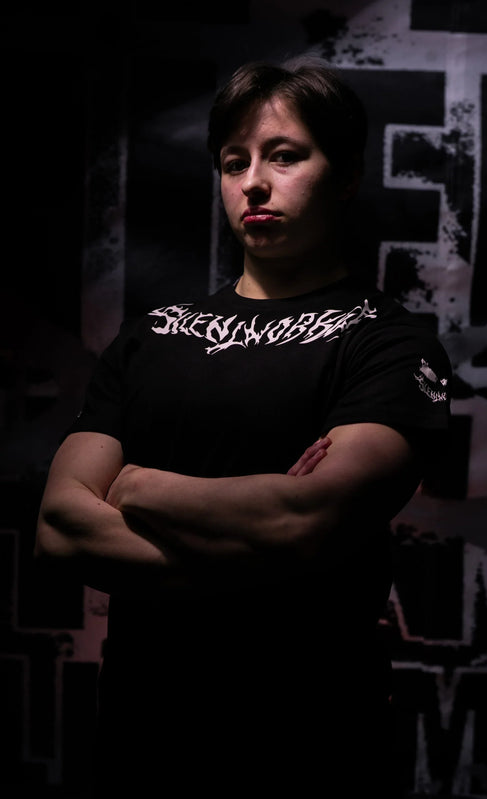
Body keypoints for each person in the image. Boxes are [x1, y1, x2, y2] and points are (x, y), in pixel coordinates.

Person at [35, 57, 451, 797]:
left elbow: (311, 516)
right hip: (146, 742)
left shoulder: (387, 339)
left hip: (313, 744)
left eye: (284, 156)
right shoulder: (149, 337)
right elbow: (61, 527)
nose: (253, 182)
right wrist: (269, 565)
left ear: (345, 173)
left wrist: (138, 487)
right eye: (234, 162)